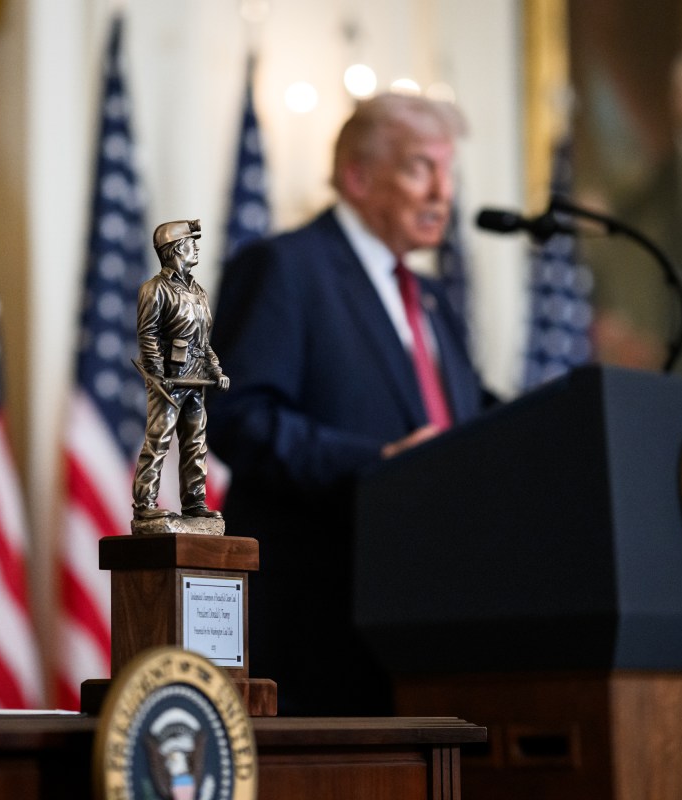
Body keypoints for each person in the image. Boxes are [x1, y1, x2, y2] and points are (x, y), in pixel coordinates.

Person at [208, 93, 492, 714]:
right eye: (421, 169)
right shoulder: (285, 268)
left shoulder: (432, 299)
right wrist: (381, 462)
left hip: (430, 611)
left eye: (449, 174)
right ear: (357, 177)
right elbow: (238, 420)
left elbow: (471, 419)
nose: (442, 193)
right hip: (319, 614)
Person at [133, 219, 230, 523]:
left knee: (195, 444)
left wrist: (216, 370)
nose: (196, 247)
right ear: (175, 249)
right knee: (159, 441)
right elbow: (147, 336)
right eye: (191, 243)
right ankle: (145, 503)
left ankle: (195, 503)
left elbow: (203, 342)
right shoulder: (155, 289)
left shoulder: (199, 292)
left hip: (197, 378)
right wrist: (158, 372)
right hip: (168, 382)